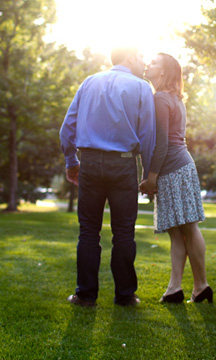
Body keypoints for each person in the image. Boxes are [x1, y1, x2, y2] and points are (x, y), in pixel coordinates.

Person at [60, 46, 156, 307]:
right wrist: (149, 175)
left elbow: (67, 127)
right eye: (142, 57)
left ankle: (85, 295)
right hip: (123, 165)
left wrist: (71, 162)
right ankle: (125, 296)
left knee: (88, 232)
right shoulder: (141, 88)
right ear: (131, 56)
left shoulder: (89, 82)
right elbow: (148, 136)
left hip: (89, 164)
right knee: (124, 233)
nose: (144, 63)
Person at [139, 53, 212, 304]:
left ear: (164, 72)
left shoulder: (160, 98)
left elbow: (160, 144)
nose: (149, 63)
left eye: (155, 62)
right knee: (185, 229)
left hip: (172, 168)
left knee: (184, 230)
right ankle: (180, 288)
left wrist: (151, 178)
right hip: (183, 166)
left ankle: (196, 286)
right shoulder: (175, 99)